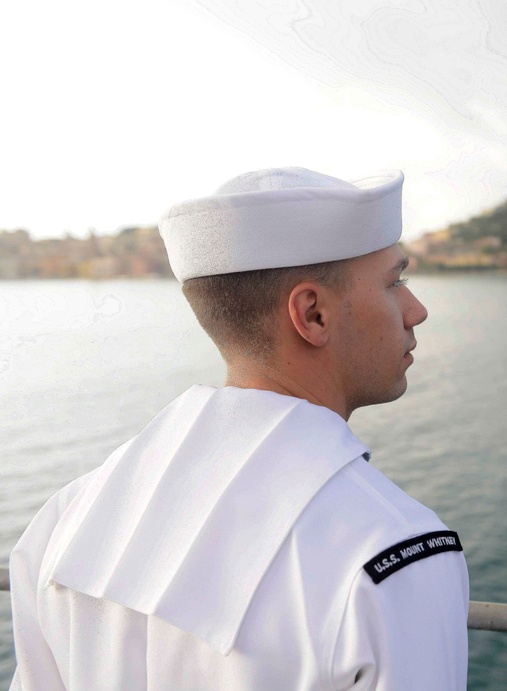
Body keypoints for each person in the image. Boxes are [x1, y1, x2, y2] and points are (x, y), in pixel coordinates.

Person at [7, 168, 469, 690]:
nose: (417, 310)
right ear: (312, 315)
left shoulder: (67, 517)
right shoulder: (393, 552)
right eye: (395, 282)